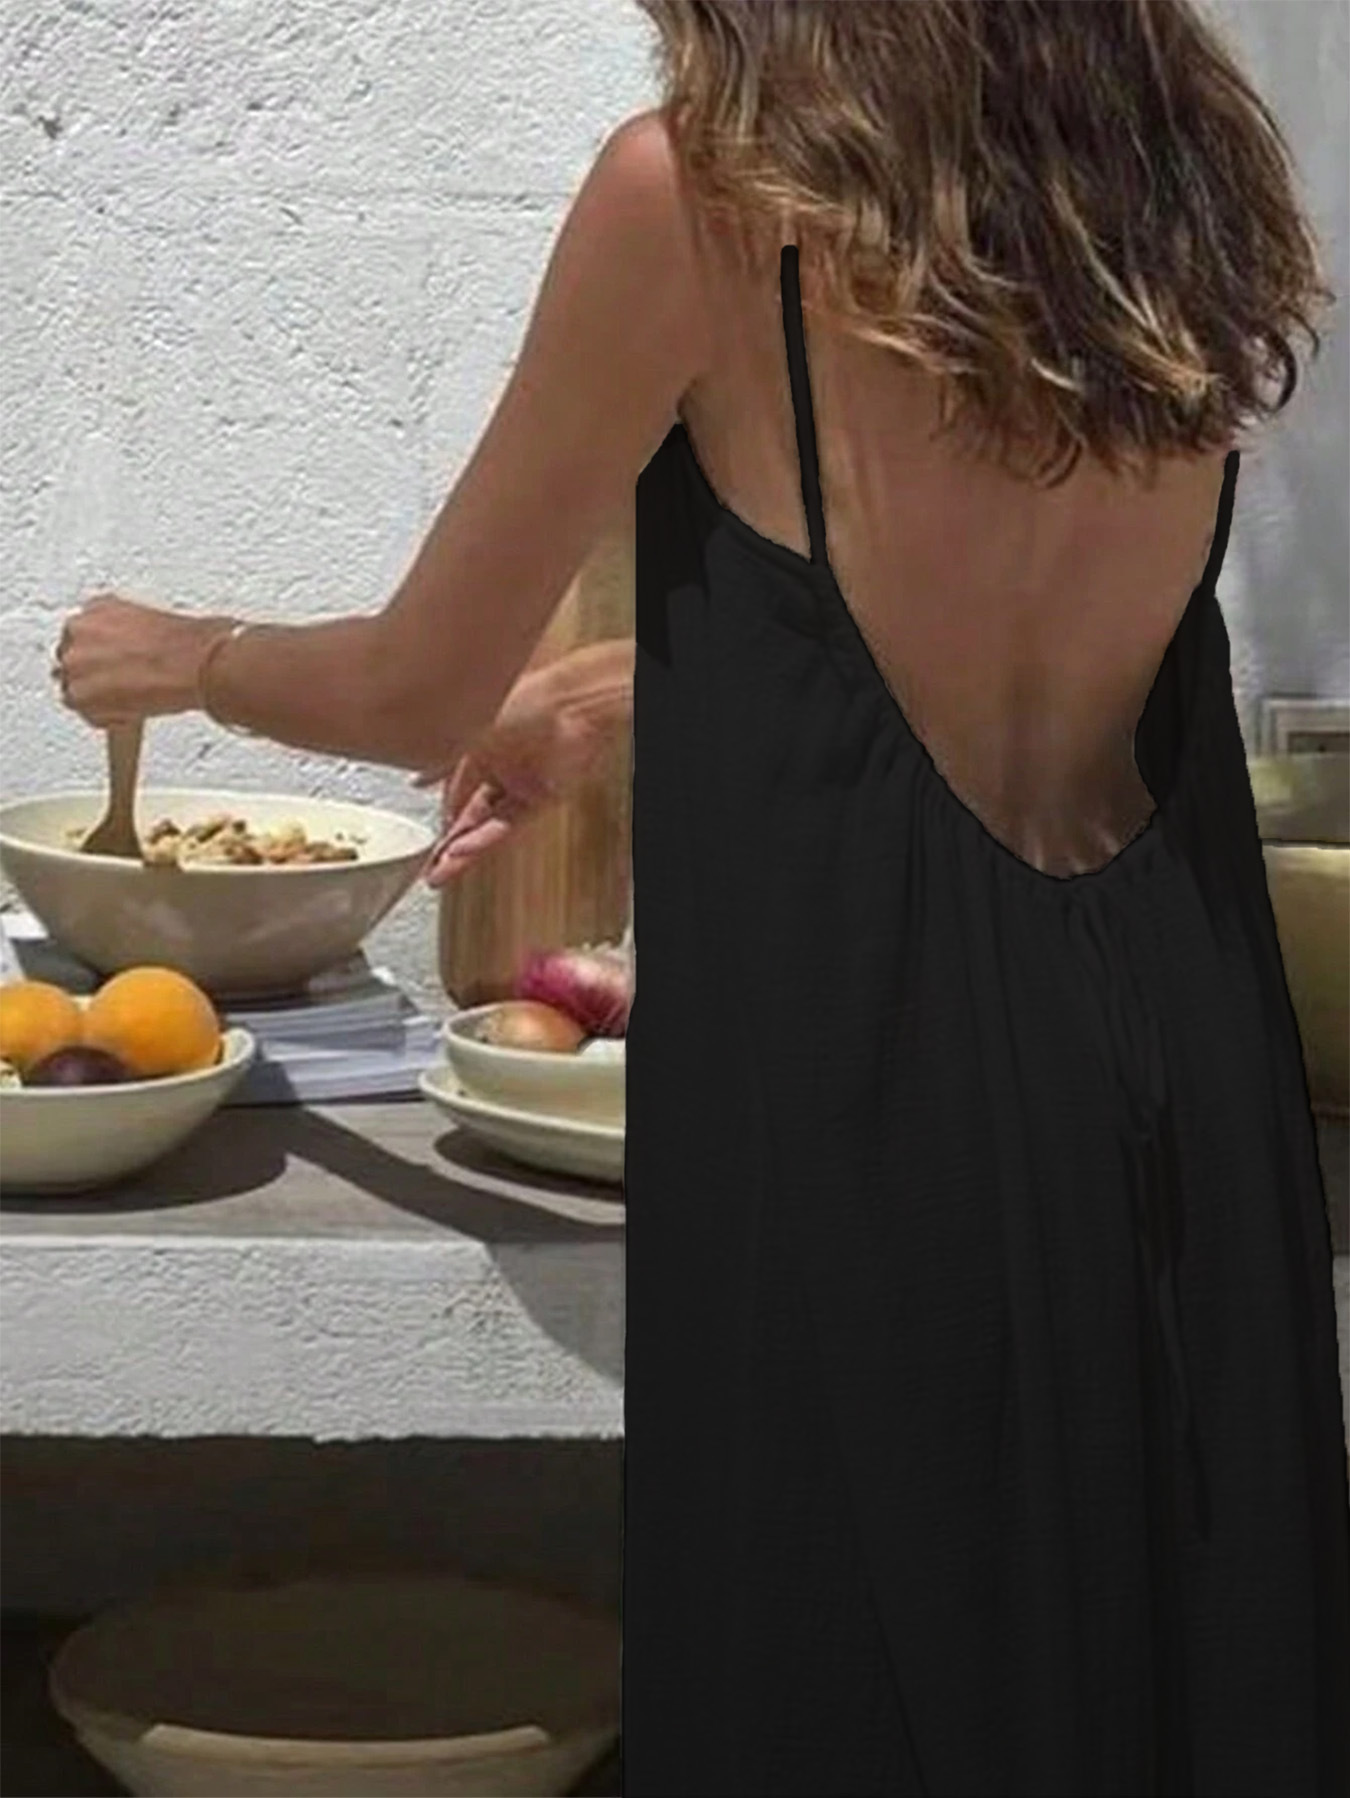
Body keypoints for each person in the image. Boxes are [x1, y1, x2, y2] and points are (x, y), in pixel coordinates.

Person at [54, 3, 1349, 1792]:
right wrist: (608, 698)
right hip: (1174, 1081)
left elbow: (414, 690)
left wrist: (183, 653)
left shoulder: (703, 200)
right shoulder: (1164, 181)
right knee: (1144, 1688)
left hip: (871, 1106)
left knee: (853, 1698)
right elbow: (971, 630)